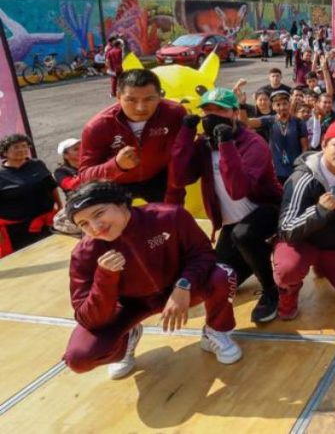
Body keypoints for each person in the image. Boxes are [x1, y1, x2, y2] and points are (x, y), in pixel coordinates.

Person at [62, 182, 242, 379]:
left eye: (99, 213)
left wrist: (184, 284)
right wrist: (105, 278)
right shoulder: (84, 254)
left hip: (177, 288)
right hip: (130, 305)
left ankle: (214, 332)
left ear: (121, 203)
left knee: (223, 274)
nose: (95, 227)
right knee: (78, 358)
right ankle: (126, 338)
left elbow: (203, 254)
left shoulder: (169, 216)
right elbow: (87, 318)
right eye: (84, 224)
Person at [169, 88, 284, 323]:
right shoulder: (203, 145)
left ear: (234, 113)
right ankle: (253, 259)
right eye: (207, 110)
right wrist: (185, 134)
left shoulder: (254, 143)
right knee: (218, 277)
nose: (212, 115)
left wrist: (227, 145)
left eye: (220, 109)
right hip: (233, 222)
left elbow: (237, 189)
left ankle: (272, 292)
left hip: (267, 212)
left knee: (245, 236)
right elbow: (179, 178)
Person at [274, 120, 335, 320]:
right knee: (288, 270)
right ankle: (288, 291)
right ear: (324, 145)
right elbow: (285, 228)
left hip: (334, 242)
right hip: (301, 242)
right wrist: (319, 211)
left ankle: (323, 265)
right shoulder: (303, 178)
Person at [78, 69, 186, 204]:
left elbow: (185, 149)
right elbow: (84, 176)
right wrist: (116, 165)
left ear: (160, 96)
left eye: (149, 99)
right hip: (116, 183)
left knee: (173, 221)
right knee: (121, 224)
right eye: (131, 100)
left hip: (159, 178)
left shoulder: (174, 113)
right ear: (118, 97)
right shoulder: (98, 126)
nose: (140, 108)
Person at [0, 133, 59, 255]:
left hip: (48, 222)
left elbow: (52, 187)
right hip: (18, 231)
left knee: (56, 253)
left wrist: (60, 207)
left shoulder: (37, 164)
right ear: (5, 152)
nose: (21, 149)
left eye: (24, 146)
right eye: (16, 147)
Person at [251, 89, 308, 184]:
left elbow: (305, 147)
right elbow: (247, 122)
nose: (282, 107)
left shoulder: (298, 122)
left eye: (285, 103)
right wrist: (241, 105)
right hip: (276, 169)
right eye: (278, 104)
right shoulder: (269, 121)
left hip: (295, 170)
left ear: (289, 104)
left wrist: (301, 166)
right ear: (273, 106)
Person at [52, 138, 84, 235]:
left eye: (82, 147)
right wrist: (89, 172)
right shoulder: (60, 172)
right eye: (76, 149)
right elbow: (70, 185)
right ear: (66, 155)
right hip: (79, 208)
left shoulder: (90, 164)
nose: (81, 150)